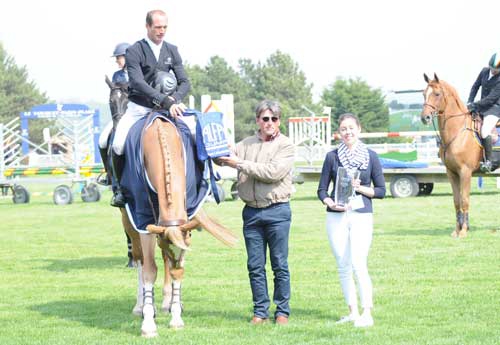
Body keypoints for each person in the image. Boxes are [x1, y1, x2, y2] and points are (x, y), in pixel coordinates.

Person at [217, 100, 295, 326]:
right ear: (258, 120)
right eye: (265, 118)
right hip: (251, 213)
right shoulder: (245, 144)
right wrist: (215, 148)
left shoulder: (286, 146)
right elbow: (222, 156)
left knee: (279, 264)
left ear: (279, 121)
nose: (269, 123)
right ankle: (260, 311)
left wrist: (238, 163)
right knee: (254, 265)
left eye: (274, 118)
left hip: (278, 211)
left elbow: (272, 172)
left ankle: (282, 312)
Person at [110, 9, 190, 207]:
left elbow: (185, 81)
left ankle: (203, 181)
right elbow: (137, 83)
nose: (161, 31)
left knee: (196, 133)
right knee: (117, 143)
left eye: (164, 27)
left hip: (169, 107)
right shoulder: (134, 51)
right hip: (140, 108)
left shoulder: (172, 49)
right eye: (157, 27)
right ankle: (119, 189)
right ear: (147, 27)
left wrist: (175, 99)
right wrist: (166, 101)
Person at [317, 113, 385, 328]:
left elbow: (381, 191)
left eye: (351, 128)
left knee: (358, 263)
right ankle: (352, 312)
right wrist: (329, 202)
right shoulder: (332, 156)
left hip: (361, 215)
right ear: (339, 132)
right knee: (343, 265)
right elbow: (321, 189)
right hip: (337, 215)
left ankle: (367, 312)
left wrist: (360, 188)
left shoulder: (371, 156)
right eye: (343, 129)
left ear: (359, 129)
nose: (347, 132)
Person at [467, 52, 500, 172]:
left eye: (497, 69)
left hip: (494, 109)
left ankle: (489, 162)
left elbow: (491, 99)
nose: (495, 71)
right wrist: (469, 101)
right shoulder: (484, 71)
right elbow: (475, 86)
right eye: (493, 68)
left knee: (485, 131)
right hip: (481, 107)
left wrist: (474, 104)